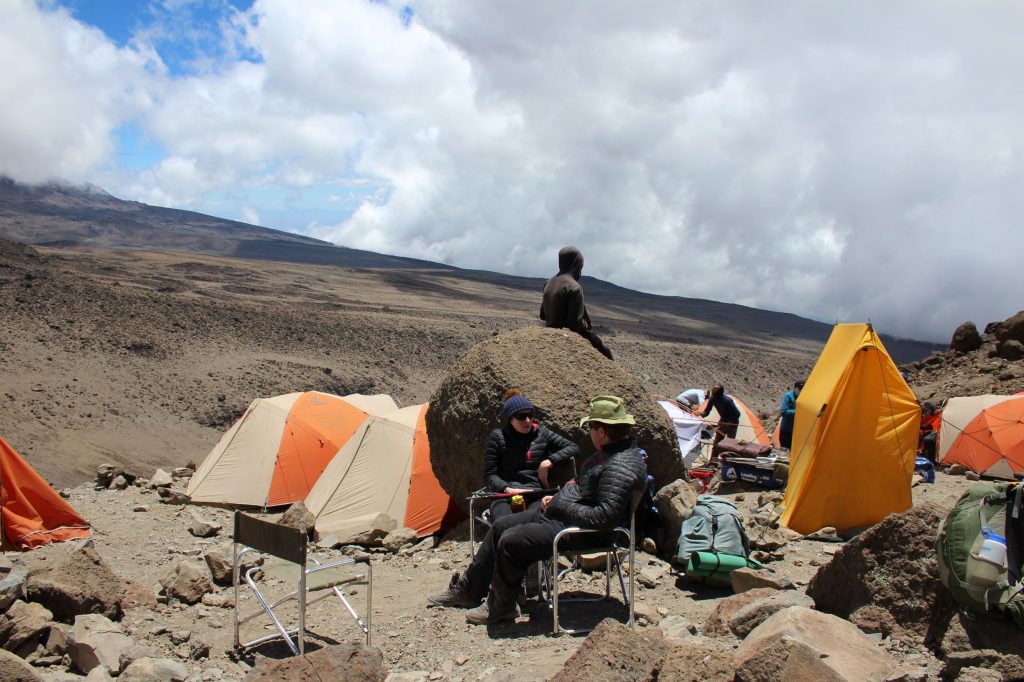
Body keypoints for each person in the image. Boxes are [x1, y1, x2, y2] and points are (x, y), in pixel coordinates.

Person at [428, 395, 647, 625]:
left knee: (511, 541)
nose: (589, 433)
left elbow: (605, 517)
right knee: (501, 525)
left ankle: (501, 606)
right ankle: (469, 590)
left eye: (590, 427)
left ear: (601, 431)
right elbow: (587, 492)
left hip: (579, 531)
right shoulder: (611, 453)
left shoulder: (620, 466)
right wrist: (559, 498)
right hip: (563, 516)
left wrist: (561, 504)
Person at [484, 389, 580, 520]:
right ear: (510, 418)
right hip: (505, 496)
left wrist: (549, 461)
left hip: (535, 494)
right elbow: (490, 474)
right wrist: (507, 489)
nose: (528, 420)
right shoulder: (497, 437)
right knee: (503, 523)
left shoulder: (542, 433)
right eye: (521, 417)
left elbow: (573, 447)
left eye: (530, 415)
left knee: (535, 521)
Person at [540, 246, 614, 360]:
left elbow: (543, 315)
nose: (580, 271)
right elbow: (574, 325)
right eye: (580, 266)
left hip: (549, 331)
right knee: (606, 352)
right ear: (575, 265)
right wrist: (584, 323)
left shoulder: (548, 283)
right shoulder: (574, 288)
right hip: (566, 335)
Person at [701, 384, 741, 459]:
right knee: (717, 442)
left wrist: (730, 422)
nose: (713, 393)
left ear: (719, 393)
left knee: (730, 443)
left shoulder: (727, 401)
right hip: (723, 420)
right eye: (712, 391)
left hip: (732, 422)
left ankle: (726, 461)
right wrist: (702, 414)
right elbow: (707, 410)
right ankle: (713, 460)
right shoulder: (713, 399)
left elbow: (737, 414)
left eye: (715, 392)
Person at [777, 380, 805, 450]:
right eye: (800, 388)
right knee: (785, 451)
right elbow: (783, 412)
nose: (801, 390)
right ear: (795, 388)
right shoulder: (788, 396)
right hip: (787, 431)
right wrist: (798, 412)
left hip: (798, 432)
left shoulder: (804, 397)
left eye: (803, 389)